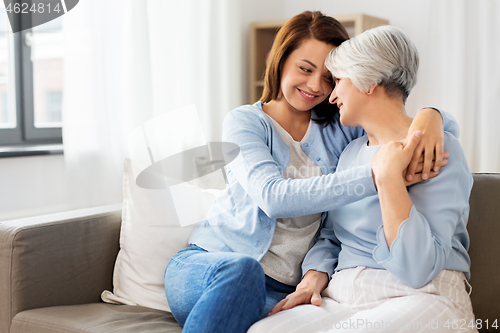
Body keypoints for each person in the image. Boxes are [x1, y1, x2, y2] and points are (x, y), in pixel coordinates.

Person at [165, 12, 459, 333]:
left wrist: (434, 115)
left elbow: (394, 125)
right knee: (242, 271)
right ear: (280, 61)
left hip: (281, 289)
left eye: (330, 77)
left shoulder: (341, 131)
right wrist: (378, 174)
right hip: (212, 265)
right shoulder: (245, 123)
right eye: (305, 69)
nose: (316, 86)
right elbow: (272, 197)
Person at [249, 25, 476, 333]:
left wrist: (389, 179)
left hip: (420, 294)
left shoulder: (437, 148)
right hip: (344, 295)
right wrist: (314, 275)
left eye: (338, 80)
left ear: (369, 82)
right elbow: (330, 235)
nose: (332, 95)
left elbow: (418, 268)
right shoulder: (351, 152)